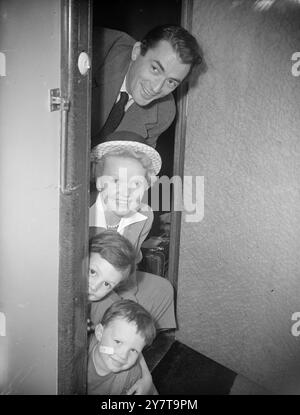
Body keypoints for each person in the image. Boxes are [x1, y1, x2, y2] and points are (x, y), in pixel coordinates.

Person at [89, 130, 176, 331]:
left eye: (135, 183)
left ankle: (140, 345)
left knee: (164, 289)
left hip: (116, 284)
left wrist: (128, 298)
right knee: (116, 314)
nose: (125, 191)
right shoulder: (83, 212)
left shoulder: (145, 216)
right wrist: (120, 305)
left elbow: (130, 266)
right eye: (116, 180)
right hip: (86, 288)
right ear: (99, 180)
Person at [91, 24, 203, 148]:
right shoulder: (92, 45)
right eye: (155, 69)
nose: (156, 88)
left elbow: (138, 160)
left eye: (171, 82)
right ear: (137, 52)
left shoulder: (164, 112)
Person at [88, 231, 154, 395]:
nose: (94, 286)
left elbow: (131, 340)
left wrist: (147, 378)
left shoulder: (107, 304)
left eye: (107, 284)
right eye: (92, 272)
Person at [87, 299, 158, 395]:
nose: (123, 356)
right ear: (100, 333)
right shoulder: (79, 346)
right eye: (118, 341)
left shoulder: (132, 378)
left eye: (133, 350)